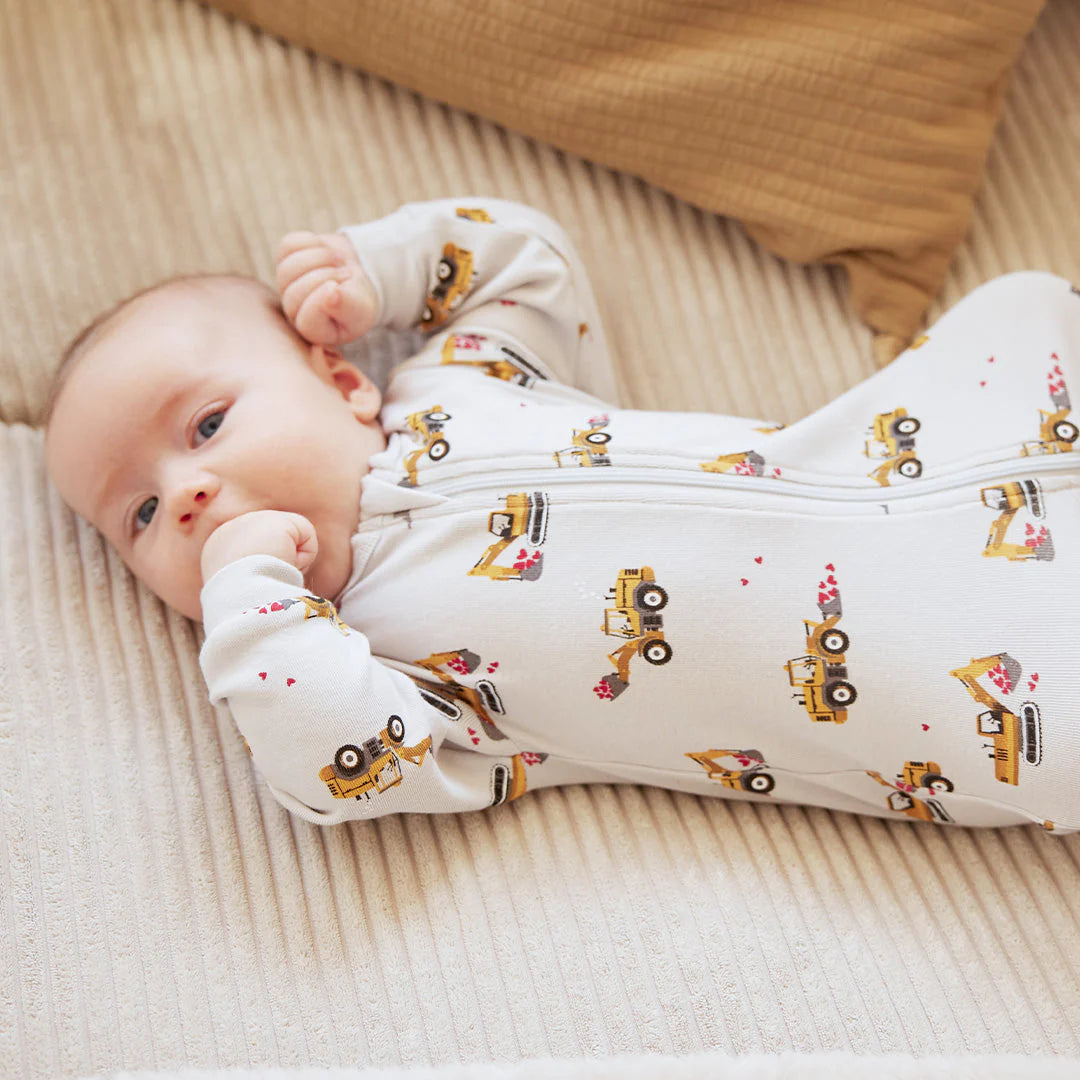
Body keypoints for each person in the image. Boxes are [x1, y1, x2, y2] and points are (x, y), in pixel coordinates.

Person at [43, 197, 1080, 831]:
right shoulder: (386, 666)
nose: (183, 495)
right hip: (975, 691)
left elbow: (530, 263)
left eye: (209, 422)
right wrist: (251, 602)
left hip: (958, 433)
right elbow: (327, 762)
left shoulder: (460, 380)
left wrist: (380, 267)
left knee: (1028, 307)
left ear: (341, 379)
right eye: (136, 514)